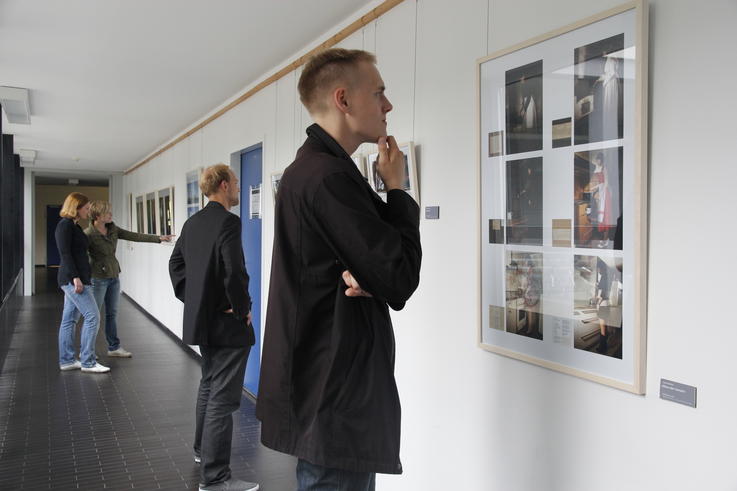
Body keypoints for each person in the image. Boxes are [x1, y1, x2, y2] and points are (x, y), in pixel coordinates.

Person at [256, 48, 422, 490]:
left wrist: (372, 275)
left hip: (326, 387)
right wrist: (398, 189)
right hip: (333, 393)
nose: (388, 106)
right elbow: (400, 277)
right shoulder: (327, 177)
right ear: (344, 99)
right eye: (380, 93)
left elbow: (378, 271)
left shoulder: (312, 170)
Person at [168, 164, 258, 491]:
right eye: (235, 182)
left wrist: (196, 300)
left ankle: (201, 452)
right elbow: (235, 271)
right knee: (223, 397)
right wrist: (241, 308)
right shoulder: (228, 222)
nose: (237, 187)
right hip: (226, 324)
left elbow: (175, 264)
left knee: (208, 385)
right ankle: (215, 477)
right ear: (223, 186)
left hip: (204, 322)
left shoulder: (193, 223)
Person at [85, 200, 174, 358]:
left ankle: (114, 347)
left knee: (112, 314)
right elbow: (81, 258)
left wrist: (159, 238)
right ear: (97, 216)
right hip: (97, 278)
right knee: (94, 315)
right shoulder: (88, 234)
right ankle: (88, 351)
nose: (111, 214)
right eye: (107, 212)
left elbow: (134, 236)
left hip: (113, 276)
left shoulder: (113, 229)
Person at [55, 192, 109, 373]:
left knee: (69, 319)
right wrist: (75, 278)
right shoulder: (65, 226)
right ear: (75, 208)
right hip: (73, 280)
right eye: (86, 208)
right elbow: (65, 254)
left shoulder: (74, 226)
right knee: (93, 317)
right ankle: (88, 361)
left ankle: (67, 361)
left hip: (79, 278)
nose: (88, 211)